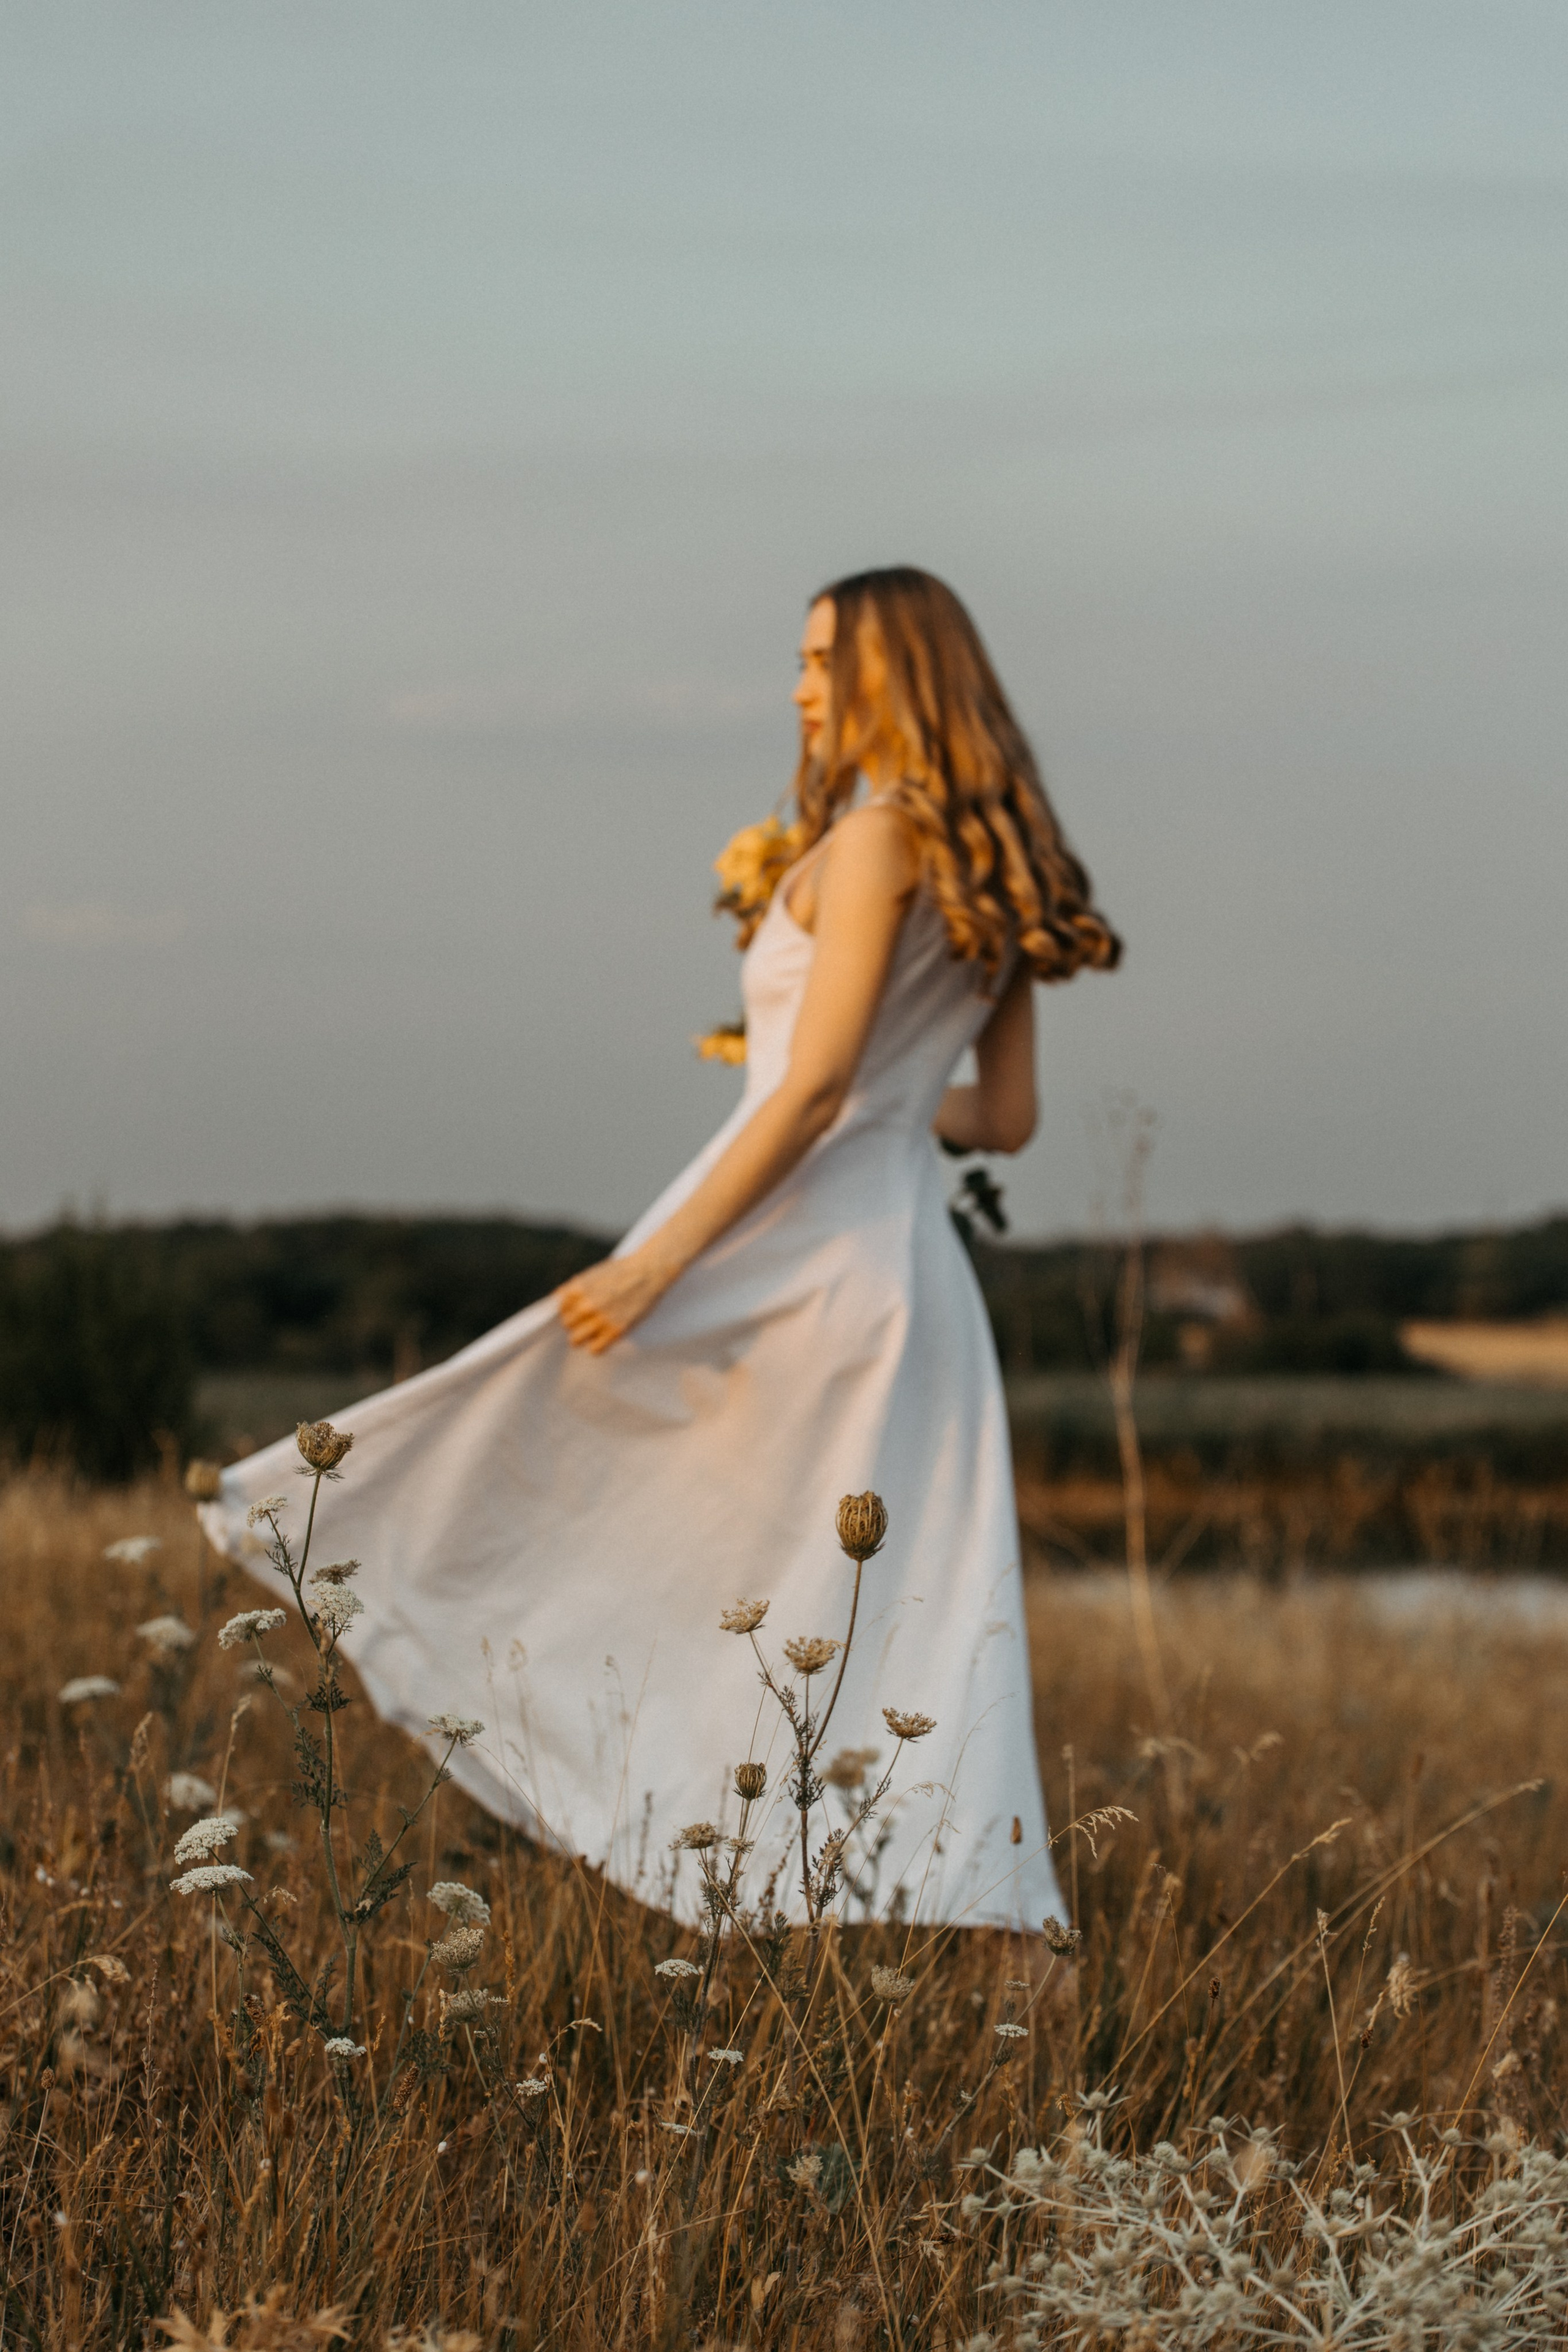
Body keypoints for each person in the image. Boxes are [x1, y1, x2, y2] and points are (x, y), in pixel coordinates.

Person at [202, 566, 1119, 1931]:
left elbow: (810, 1094)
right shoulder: (999, 864)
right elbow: (1009, 1119)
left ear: (891, 675)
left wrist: (658, 1260)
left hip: (793, 1253)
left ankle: (722, 1858)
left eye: (823, 660)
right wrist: (879, 1094)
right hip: (901, 1264)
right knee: (854, 1594)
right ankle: (858, 1887)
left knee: (615, 1491)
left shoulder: (874, 843)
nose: (800, 686)